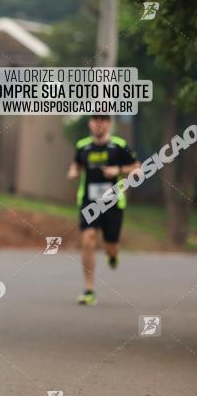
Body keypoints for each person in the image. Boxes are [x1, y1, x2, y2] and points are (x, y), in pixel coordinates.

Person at [67, 115, 140, 306]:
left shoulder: (119, 145)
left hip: (113, 204)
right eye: (95, 119)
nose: (99, 123)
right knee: (88, 240)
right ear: (90, 123)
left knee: (110, 246)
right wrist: (73, 170)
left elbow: (137, 168)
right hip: (88, 202)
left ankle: (113, 255)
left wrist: (118, 170)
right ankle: (89, 290)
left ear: (109, 123)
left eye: (103, 119)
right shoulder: (82, 146)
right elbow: (76, 163)